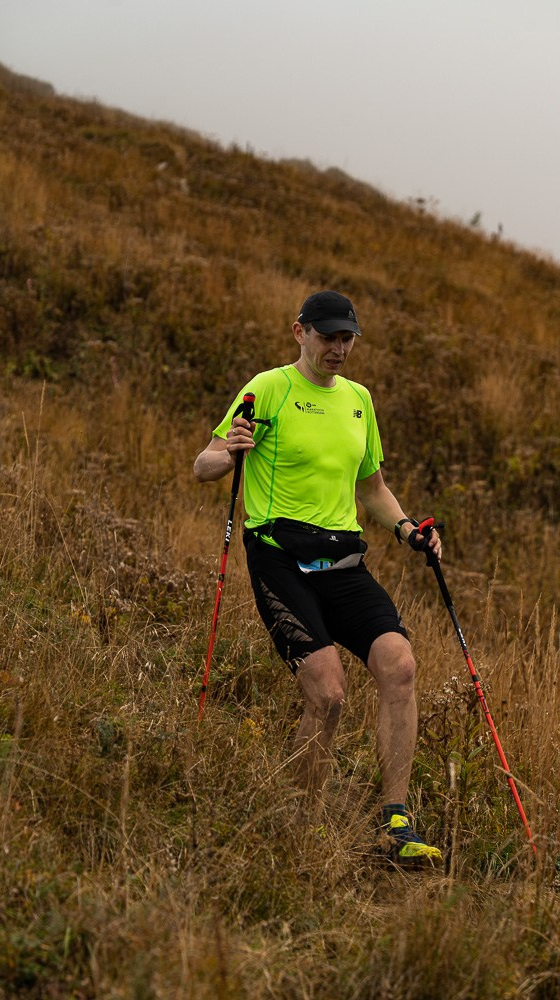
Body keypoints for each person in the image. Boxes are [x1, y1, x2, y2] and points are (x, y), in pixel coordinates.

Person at [193, 290, 442, 864]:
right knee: (329, 694)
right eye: (327, 336)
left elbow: (372, 488)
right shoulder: (269, 388)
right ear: (299, 332)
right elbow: (203, 464)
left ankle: (396, 826)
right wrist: (230, 453)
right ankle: (300, 828)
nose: (338, 347)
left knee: (399, 664)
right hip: (279, 555)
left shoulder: (359, 400)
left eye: (346, 337)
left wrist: (408, 531)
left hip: (342, 559)